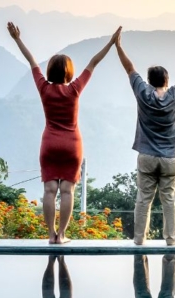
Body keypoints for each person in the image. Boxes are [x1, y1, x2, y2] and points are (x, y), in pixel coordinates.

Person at [7, 23, 117, 245]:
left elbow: (31, 61)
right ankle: (62, 235)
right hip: (71, 144)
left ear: (50, 72)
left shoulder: (44, 88)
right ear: (69, 72)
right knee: (67, 191)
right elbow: (93, 63)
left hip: (49, 143)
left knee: (50, 190)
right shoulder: (74, 89)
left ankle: (50, 235)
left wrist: (17, 39)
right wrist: (112, 42)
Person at [116, 31, 175, 246]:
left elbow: (129, 68)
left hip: (147, 156)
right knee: (169, 200)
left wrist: (118, 46)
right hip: (170, 158)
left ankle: (139, 240)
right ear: (167, 80)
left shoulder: (143, 93)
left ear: (148, 81)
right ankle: (171, 239)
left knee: (143, 200)